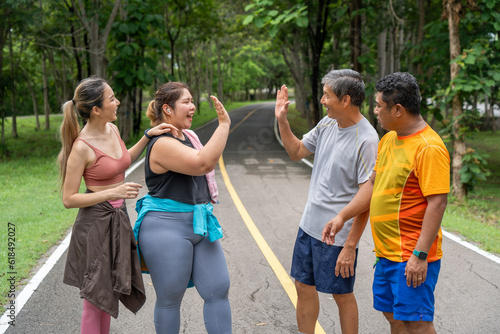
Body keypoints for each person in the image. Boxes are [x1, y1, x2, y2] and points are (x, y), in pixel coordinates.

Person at [322, 72, 450, 334]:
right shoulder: (389, 139)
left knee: (417, 323)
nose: (375, 111)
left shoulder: (428, 147)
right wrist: (342, 216)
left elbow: (437, 204)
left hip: (410, 255)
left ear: (399, 109)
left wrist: (420, 256)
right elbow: (371, 185)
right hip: (386, 254)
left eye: (380, 105)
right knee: (394, 316)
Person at [58, 76, 177, 334]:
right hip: (94, 225)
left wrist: (148, 136)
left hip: (118, 219)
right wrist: (113, 191)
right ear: (96, 109)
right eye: (112, 98)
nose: (118, 102)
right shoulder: (82, 147)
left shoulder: (112, 130)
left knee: (109, 295)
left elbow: (123, 160)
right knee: (95, 299)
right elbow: (69, 199)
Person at [275, 69, 379, 334]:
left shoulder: (367, 139)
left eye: (327, 95)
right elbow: (296, 151)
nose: (322, 100)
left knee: (341, 295)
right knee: (303, 286)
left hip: (337, 235)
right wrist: (282, 120)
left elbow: (367, 196)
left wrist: (350, 245)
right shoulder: (327, 124)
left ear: (345, 100)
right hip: (309, 226)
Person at [133, 82, 232, 334]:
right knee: (170, 299)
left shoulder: (189, 137)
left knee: (218, 290)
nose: (193, 106)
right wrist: (223, 126)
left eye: (192, 100)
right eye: (186, 102)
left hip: (199, 222)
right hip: (166, 228)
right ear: (167, 109)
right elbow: (202, 163)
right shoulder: (162, 143)